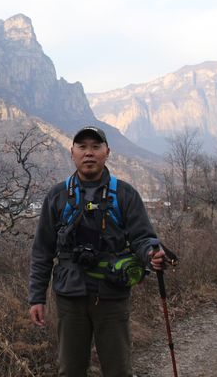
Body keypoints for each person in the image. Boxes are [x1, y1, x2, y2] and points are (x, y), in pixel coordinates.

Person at [28, 126, 166, 377]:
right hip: (70, 297)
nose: (89, 153)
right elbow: (42, 251)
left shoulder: (125, 194)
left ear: (107, 152)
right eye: (82, 147)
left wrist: (151, 254)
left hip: (112, 294)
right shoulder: (58, 196)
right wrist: (36, 298)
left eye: (95, 146)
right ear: (72, 153)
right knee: (70, 370)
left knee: (118, 370)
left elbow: (143, 238)